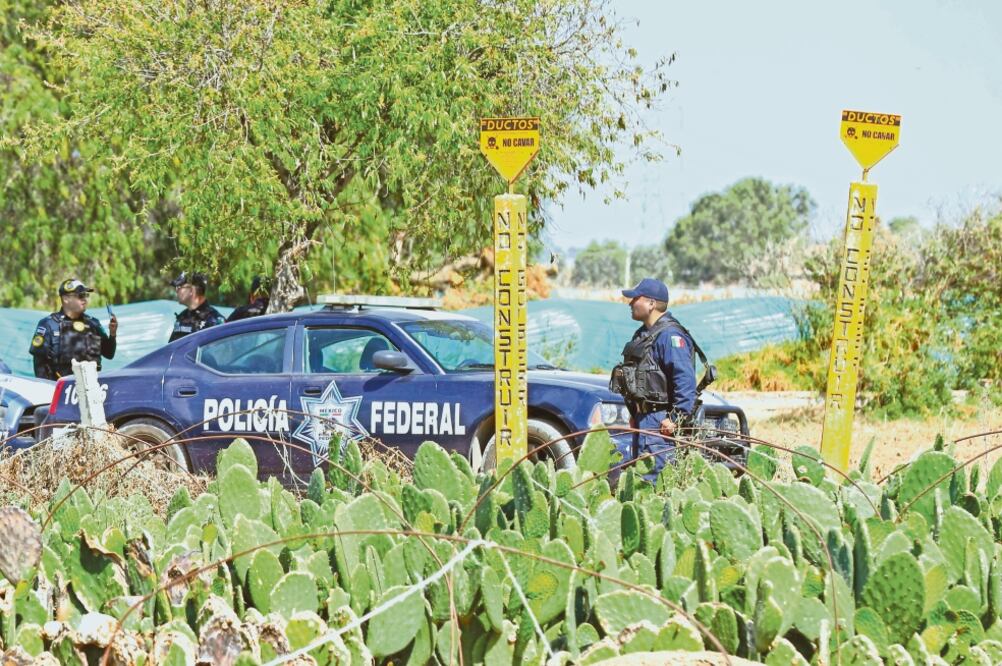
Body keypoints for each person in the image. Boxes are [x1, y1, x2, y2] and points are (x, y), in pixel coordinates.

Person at [609, 277, 711, 483]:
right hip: (643, 420)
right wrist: (635, 413)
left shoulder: (670, 336)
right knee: (641, 484)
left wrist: (675, 418)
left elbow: (685, 381)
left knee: (655, 485)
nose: (630, 303)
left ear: (651, 303)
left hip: (660, 422)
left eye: (635, 298)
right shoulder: (644, 335)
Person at [29, 279, 117, 380]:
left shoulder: (93, 323)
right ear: (66, 299)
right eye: (80, 296)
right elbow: (39, 364)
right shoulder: (49, 324)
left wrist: (112, 334)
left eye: (86, 295)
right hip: (59, 387)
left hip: (93, 385)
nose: (85, 300)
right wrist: (49, 387)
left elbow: (109, 354)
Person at [169, 271, 225, 342]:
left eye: (179, 287)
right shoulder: (182, 317)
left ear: (191, 290)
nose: (176, 291)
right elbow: (171, 347)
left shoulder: (214, 320)